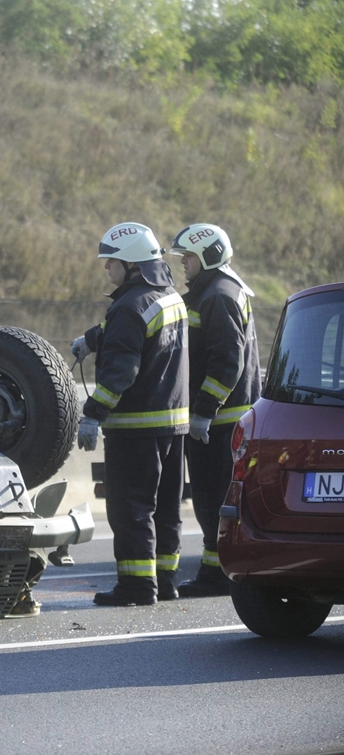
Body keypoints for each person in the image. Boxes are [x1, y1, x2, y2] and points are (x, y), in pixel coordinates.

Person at [72, 222, 189, 606]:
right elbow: (123, 333)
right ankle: (165, 580)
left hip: (135, 428)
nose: (107, 269)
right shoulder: (167, 295)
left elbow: (121, 370)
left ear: (132, 264)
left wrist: (92, 414)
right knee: (166, 508)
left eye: (112, 263)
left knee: (130, 509)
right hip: (173, 424)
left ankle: (137, 586)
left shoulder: (129, 305)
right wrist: (91, 340)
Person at [169, 224, 260, 598]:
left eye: (188, 257)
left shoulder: (217, 295)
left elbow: (226, 362)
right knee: (214, 498)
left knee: (212, 497)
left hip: (220, 424)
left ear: (207, 256)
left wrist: (205, 410)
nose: (183, 264)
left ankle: (218, 574)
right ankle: (215, 569)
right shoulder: (222, 289)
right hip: (224, 420)